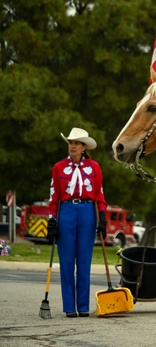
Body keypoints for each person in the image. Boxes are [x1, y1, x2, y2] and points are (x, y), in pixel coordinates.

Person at [47, 127, 107, 318]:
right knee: (66, 260)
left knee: (84, 259)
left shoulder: (94, 167)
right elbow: (54, 195)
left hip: (87, 211)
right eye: (70, 143)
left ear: (84, 147)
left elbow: (99, 193)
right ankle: (69, 307)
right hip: (66, 211)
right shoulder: (58, 167)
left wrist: (103, 217)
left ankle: (83, 305)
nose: (72, 146)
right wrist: (52, 220)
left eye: (76, 143)